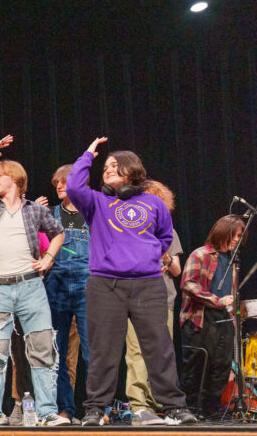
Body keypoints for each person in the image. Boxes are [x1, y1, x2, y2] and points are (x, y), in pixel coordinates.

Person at [66, 137, 196, 426]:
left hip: (148, 285)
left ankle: (174, 406)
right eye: (106, 167)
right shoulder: (96, 201)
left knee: (159, 347)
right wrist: (89, 154)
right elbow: (74, 186)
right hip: (105, 285)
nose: (107, 170)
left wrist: (146, 257)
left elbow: (164, 237)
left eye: (114, 166)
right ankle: (96, 410)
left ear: (131, 172)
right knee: (103, 350)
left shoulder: (153, 203)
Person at [0, 135, 69, 426]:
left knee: (42, 352)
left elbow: (58, 232)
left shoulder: (35, 210)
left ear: (15, 180)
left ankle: (47, 413)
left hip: (31, 286)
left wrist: (49, 258)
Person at [124, 180, 183, 425]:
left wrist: (166, 257)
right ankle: (139, 403)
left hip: (163, 297)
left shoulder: (168, 230)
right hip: (135, 296)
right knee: (136, 351)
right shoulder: (126, 228)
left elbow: (177, 270)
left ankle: (161, 403)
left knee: (161, 352)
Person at [37, 165, 91, 422]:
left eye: (65, 182)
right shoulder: (49, 214)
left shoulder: (94, 213)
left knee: (93, 352)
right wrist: (33, 215)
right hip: (55, 287)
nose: (59, 186)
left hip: (87, 287)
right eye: (56, 182)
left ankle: (95, 409)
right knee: (55, 353)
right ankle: (64, 410)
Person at [180, 215, 246, 418]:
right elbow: (188, 284)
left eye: (240, 236)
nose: (237, 239)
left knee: (222, 366)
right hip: (201, 317)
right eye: (235, 235)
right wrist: (216, 300)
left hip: (224, 318)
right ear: (223, 232)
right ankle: (192, 408)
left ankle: (213, 409)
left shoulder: (233, 261)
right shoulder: (200, 254)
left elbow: (231, 294)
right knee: (199, 365)